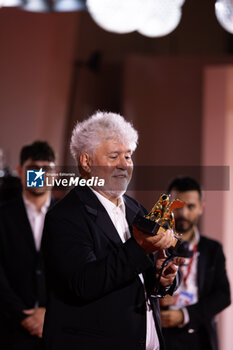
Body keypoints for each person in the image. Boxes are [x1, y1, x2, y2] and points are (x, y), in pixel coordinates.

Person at [42, 111, 184, 350]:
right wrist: (140, 249)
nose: (124, 164)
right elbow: (84, 283)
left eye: (128, 155)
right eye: (114, 156)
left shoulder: (136, 209)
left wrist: (163, 277)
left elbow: (141, 276)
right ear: (86, 162)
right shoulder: (65, 216)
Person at [160, 176, 231, 350]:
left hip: (199, 337)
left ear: (201, 208)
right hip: (161, 335)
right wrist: (158, 296)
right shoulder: (154, 245)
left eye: (190, 206)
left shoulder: (212, 249)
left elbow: (223, 295)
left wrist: (184, 315)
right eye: (178, 207)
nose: (183, 213)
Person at [0, 141, 56, 350]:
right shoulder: (3, 215)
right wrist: (21, 316)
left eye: (46, 169)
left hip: (57, 329)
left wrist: (50, 312)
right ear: (20, 171)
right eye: (33, 169)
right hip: (10, 329)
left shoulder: (70, 216)